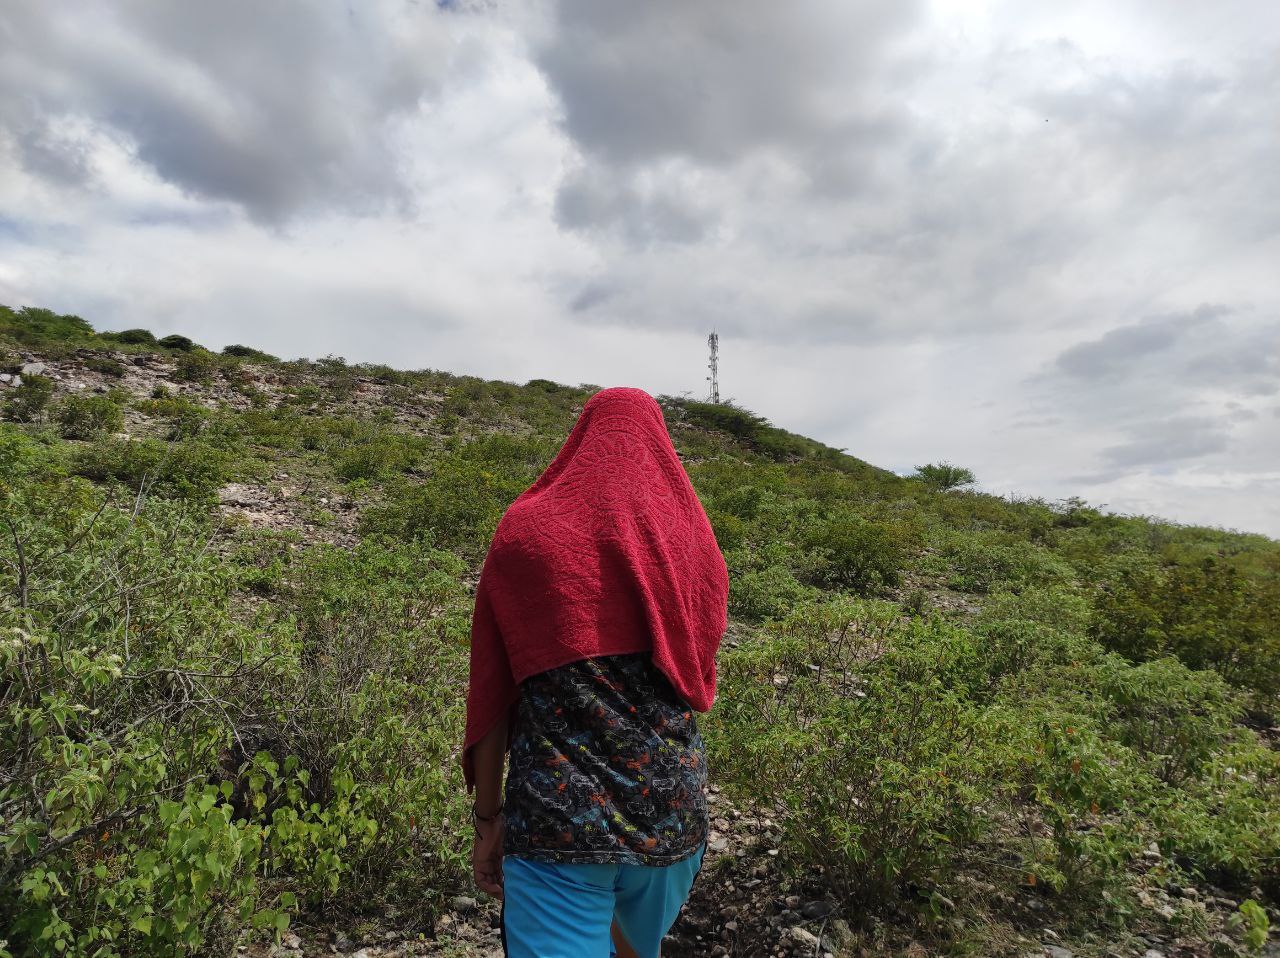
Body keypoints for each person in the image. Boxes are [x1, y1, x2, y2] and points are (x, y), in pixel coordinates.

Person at [461, 386, 730, 958]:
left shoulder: (525, 532)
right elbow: (695, 671)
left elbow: (490, 699)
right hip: (672, 819)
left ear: (581, 440)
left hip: (558, 825)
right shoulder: (690, 540)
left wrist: (488, 823)